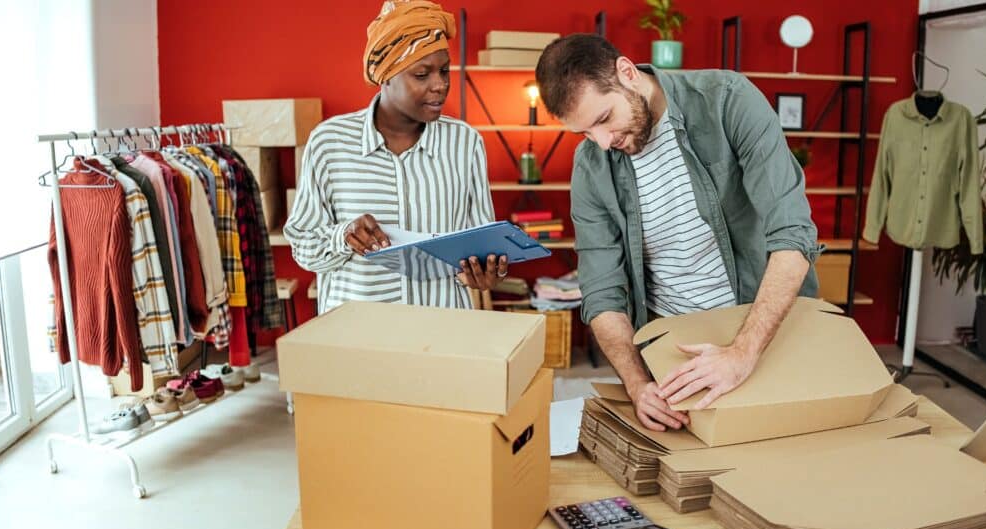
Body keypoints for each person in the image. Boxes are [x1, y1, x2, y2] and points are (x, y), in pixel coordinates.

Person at [535, 34, 820, 431]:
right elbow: (602, 294)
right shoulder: (591, 166)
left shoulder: (727, 99)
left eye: (602, 120)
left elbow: (793, 235)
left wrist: (741, 353)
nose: (602, 143)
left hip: (760, 327)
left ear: (627, 73)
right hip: (672, 342)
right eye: (585, 133)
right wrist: (637, 385)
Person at [285, 0, 507, 314]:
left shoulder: (464, 142)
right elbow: (303, 246)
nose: (440, 85)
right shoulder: (329, 141)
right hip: (355, 336)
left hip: (441, 332)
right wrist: (343, 235)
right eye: (421, 74)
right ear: (385, 76)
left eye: (444, 70)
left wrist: (487, 270)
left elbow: (483, 245)